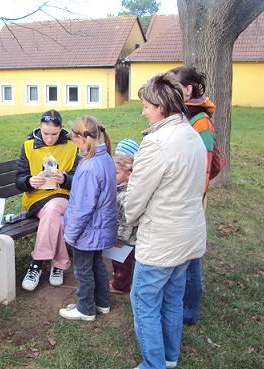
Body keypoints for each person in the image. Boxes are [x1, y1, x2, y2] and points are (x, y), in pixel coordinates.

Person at [125, 73, 207, 369]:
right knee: (172, 298)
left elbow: (135, 197)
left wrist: (129, 218)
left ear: (160, 106)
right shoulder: (192, 135)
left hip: (162, 240)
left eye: (146, 105)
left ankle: (154, 364)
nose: (143, 111)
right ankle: (170, 357)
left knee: (144, 301)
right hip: (187, 236)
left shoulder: (157, 143)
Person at [169, 66, 216, 326]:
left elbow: (206, 169)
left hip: (192, 204)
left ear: (187, 89)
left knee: (191, 258)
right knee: (186, 256)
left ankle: (189, 310)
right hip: (185, 202)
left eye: (173, 88)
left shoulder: (201, 122)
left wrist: (194, 202)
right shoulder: (186, 116)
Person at [59, 115, 117, 321]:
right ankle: (103, 302)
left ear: (81, 139)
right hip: (101, 228)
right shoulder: (106, 158)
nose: (75, 146)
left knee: (83, 270)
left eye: (74, 141)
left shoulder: (89, 167)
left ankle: (85, 308)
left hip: (88, 231)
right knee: (97, 265)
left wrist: (71, 234)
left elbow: (82, 207)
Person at [16, 110, 80, 291]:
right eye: (45, 133)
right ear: (39, 127)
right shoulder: (28, 146)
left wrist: (65, 179)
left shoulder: (72, 146)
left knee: (53, 210)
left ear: (61, 129)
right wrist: (29, 181)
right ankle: (59, 264)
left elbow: (80, 179)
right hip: (36, 199)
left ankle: (37, 263)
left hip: (62, 197)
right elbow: (19, 180)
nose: (50, 139)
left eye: (54, 134)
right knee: (55, 218)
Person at [111, 138, 139, 293]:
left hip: (124, 237)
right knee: (123, 261)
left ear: (129, 173)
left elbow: (125, 220)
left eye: (115, 173)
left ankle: (121, 285)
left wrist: (119, 238)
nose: (112, 176)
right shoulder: (120, 186)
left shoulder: (125, 193)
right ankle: (124, 280)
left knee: (122, 261)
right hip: (124, 236)